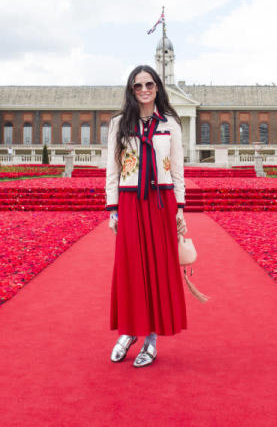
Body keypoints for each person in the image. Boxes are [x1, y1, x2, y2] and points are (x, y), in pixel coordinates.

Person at [105, 64, 187, 368]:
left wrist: (180, 208)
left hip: (161, 202)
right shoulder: (118, 124)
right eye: (137, 85)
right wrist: (112, 208)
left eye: (149, 85)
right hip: (129, 202)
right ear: (130, 89)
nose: (143, 90)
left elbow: (177, 171)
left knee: (157, 270)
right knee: (130, 268)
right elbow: (112, 169)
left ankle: (150, 340)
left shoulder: (170, 124)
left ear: (157, 88)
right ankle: (128, 333)